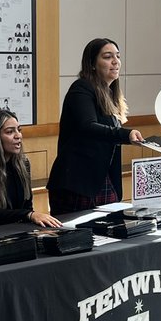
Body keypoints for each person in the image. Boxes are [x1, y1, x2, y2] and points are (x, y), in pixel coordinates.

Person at [47, 38, 143, 215]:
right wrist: (126, 135)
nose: (115, 62)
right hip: (77, 182)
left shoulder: (110, 93)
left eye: (118, 56)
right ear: (92, 64)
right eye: (107, 57)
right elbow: (87, 126)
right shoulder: (81, 88)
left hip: (101, 181)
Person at [0, 109, 62, 231]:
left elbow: (27, 205)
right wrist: (29, 215)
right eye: (10, 132)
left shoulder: (23, 163)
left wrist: (30, 217)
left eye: (19, 130)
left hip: (14, 231)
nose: (18, 136)